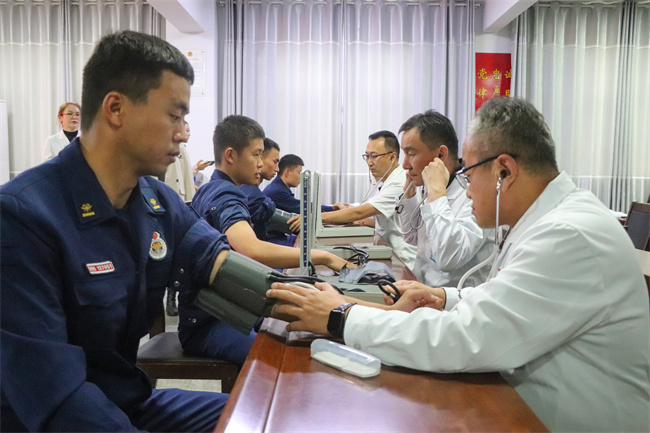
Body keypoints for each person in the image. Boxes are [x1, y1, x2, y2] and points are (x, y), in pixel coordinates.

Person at [267, 97, 650, 432]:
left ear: (504, 171)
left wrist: (341, 318)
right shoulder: (544, 221)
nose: (465, 190)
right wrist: (444, 297)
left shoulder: (566, 234)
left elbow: (467, 338)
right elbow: (502, 299)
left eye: (469, 173)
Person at [1, 31, 232, 432]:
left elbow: (215, 260)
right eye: (174, 116)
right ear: (116, 108)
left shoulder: (156, 200)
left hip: (126, 402)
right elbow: (58, 398)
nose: (183, 133)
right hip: (57, 417)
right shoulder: (22, 218)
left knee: (252, 418)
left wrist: (328, 313)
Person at [185, 115, 351, 366]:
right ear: (230, 155)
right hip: (210, 321)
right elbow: (250, 249)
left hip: (227, 306)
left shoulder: (217, 188)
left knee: (302, 323)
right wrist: (324, 256)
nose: (261, 164)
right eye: (256, 155)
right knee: (280, 359)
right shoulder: (224, 195)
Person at [288, 131, 416, 268]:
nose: (369, 163)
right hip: (389, 249)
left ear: (392, 157)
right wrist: (357, 216)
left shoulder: (399, 182)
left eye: (374, 156)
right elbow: (381, 216)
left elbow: (360, 212)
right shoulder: (385, 181)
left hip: (403, 258)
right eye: (367, 156)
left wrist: (313, 218)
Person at [397, 110, 493, 287]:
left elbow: (449, 258)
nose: (405, 165)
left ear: (441, 155)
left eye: (411, 154)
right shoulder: (432, 186)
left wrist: (436, 195)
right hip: (423, 287)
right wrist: (409, 198)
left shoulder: (474, 193)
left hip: (456, 298)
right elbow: (412, 238)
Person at [263, 154, 345, 214]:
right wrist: (332, 208)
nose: (301, 177)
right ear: (287, 173)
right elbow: (304, 208)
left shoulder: (277, 187)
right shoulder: (278, 191)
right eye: (299, 173)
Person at [240, 137, 283, 242]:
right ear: (259, 158)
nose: (277, 169)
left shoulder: (250, 190)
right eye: (275, 162)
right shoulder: (252, 194)